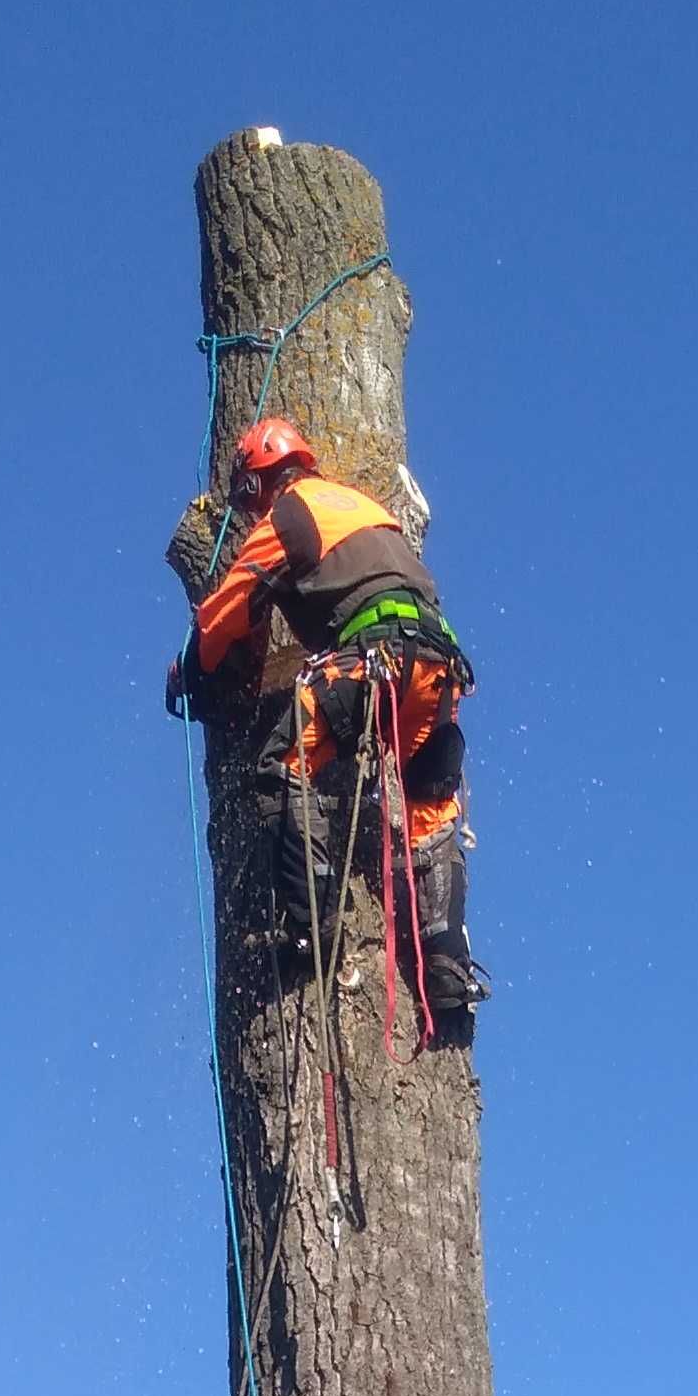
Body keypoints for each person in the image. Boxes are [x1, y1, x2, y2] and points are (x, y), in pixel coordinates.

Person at [167, 415, 486, 1049]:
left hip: (372, 661)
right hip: (434, 669)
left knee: (287, 764)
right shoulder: (365, 507)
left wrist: (193, 669)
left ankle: (313, 924)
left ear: (260, 480)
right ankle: (445, 969)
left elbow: (229, 608)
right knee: (429, 813)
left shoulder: (288, 514)